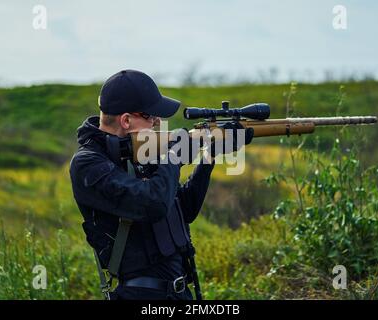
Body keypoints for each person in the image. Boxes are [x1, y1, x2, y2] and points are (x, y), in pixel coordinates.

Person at [69, 70, 252, 300]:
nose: (157, 122)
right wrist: (174, 156)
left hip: (179, 291)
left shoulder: (142, 153)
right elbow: (152, 203)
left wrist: (208, 157)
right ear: (126, 120)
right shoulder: (88, 164)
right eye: (150, 117)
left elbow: (184, 209)